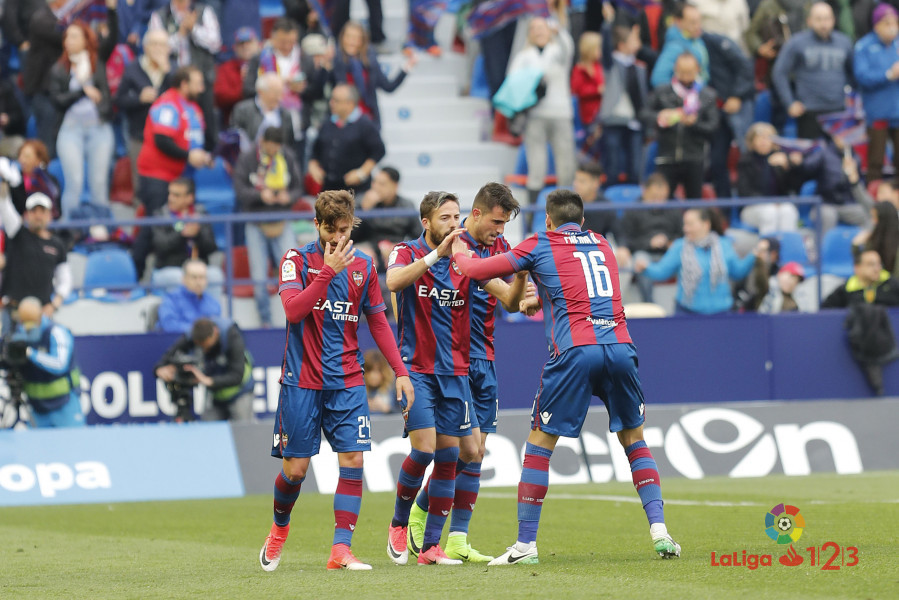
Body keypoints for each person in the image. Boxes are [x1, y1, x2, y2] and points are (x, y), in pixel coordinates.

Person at [448, 189, 681, 565]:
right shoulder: (602, 243)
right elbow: (582, 288)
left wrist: (458, 248)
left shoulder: (540, 243)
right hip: (621, 345)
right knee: (635, 440)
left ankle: (525, 545)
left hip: (575, 350)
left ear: (548, 220)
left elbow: (474, 271)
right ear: (583, 221)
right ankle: (660, 532)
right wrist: (543, 297)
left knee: (540, 445)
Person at [260, 190, 414, 571]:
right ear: (317, 225)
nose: (338, 239)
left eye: (344, 230)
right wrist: (328, 272)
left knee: (352, 460)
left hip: (347, 380)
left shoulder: (364, 266)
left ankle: (341, 550)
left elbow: (378, 321)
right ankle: (279, 528)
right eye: (331, 231)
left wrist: (401, 371)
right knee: (295, 470)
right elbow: (294, 311)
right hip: (302, 381)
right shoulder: (296, 260)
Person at [385, 191, 526, 567]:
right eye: (445, 217)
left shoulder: (467, 260)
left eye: (455, 216)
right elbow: (394, 283)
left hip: (457, 370)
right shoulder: (407, 251)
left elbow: (505, 296)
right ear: (427, 222)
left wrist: (523, 286)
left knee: (461, 454)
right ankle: (401, 522)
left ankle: (438, 545)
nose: (453, 224)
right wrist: (437, 255)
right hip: (417, 368)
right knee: (426, 450)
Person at [233, 127, 303, 327]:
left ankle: (296, 317)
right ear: (262, 141)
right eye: (270, 146)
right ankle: (266, 321)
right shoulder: (248, 158)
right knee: (258, 275)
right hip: (255, 221)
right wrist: (259, 195)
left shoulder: (287, 156)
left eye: (277, 147)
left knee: (293, 270)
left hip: (282, 219)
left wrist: (288, 197)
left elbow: (298, 187)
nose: (273, 151)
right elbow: (239, 189)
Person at [507, 16, 576, 212]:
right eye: (534, 28)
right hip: (535, 115)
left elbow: (568, 48)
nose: (538, 31)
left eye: (542, 27)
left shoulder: (557, 51)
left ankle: (567, 212)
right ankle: (532, 216)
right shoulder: (523, 56)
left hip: (560, 112)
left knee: (566, 164)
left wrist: (559, 31)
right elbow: (513, 81)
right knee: (536, 166)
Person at [636, 208, 761, 314]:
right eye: (684, 224)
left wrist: (753, 256)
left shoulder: (724, 244)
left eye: (690, 224)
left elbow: (737, 272)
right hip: (687, 313)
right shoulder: (680, 246)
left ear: (706, 224)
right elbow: (662, 271)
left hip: (722, 314)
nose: (686, 229)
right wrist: (646, 268)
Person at [49, 20, 115, 219]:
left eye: (74, 36)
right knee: (74, 182)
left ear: (87, 40)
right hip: (70, 129)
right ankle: (70, 229)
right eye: (66, 36)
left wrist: (112, 12)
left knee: (99, 182)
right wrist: (81, 91)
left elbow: (104, 97)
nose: (68, 41)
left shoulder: (97, 64)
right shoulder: (59, 68)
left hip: (99, 128)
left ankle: (100, 228)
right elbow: (57, 101)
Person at [772, 2, 853, 140]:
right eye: (818, 19)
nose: (823, 24)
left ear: (833, 20)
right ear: (809, 21)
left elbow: (853, 73)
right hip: (808, 110)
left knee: (840, 156)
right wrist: (789, 102)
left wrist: (852, 100)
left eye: (827, 19)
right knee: (810, 159)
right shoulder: (797, 43)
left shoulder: (844, 42)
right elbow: (779, 72)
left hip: (838, 110)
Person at [136, 65, 212, 214]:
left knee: (182, 228)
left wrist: (204, 156)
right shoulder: (168, 104)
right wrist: (189, 156)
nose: (201, 89)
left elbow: (196, 139)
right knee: (158, 228)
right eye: (197, 84)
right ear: (184, 84)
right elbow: (162, 140)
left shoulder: (193, 106)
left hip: (183, 178)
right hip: (159, 178)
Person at [148, 0, 222, 150]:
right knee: (173, 124)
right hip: (171, 81)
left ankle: (206, 158)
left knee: (207, 124)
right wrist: (180, 34)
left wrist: (194, 28)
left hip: (201, 81)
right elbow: (154, 48)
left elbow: (215, 44)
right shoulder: (160, 15)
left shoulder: (204, 11)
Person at [644, 52, 719, 200]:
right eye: (682, 72)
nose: (685, 77)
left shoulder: (707, 94)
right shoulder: (662, 91)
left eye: (689, 72)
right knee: (663, 202)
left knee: (694, 202)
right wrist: (661, 116)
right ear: (675, 70)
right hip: (667, 156)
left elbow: (713, 127)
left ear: (698, 69)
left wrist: (694, 123)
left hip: (695, 158)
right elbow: (643, 114)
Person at [155, 317, 255, 422]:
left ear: (215, 333)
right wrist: (159, 369)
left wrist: (207, 380)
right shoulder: (193, 335)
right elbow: (168, 355)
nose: (204, 350)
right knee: (208, 428)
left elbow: (237, 376)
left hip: (239, 392)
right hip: (215, 395)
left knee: (243, 431)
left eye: (206, 346)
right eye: (200, 346)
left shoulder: (232, 335)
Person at [0, 184, 72, 329]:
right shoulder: (17, 233)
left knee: (43, 351)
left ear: (49, 215)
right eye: (34, 211)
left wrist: (53, 305)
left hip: (42, 314)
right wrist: (4, 184)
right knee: (9, 350)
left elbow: (65, 280)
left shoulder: (57, 245)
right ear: (27, 215)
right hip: (13, 312)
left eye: (42, 211)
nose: (38, 215)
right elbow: (5, 205)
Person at [131, 177, 222, 290]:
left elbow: (212, 247)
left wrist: (198, 234)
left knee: (215, 275)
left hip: (197, 267)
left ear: (189, 198)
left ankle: (210, 308)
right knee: (181, 278)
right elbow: (161, 247)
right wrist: (181, 234)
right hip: (169, 269)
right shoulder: (160, 215)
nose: (170, 198)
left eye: (176, 195)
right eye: (170, 194)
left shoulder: (201, 215)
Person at [9, 297, 85, 428]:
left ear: (40, 316)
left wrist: (30, 353)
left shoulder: (56, 332)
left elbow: (60, 364)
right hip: (37, 408)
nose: (27, 327)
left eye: (31, 322)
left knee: (74, 445)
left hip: (64, 404)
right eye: (23, 322)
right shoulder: (18, 336)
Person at [116, 29, 172, 202]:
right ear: (145, 47)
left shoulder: (175, 70)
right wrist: (139, 99)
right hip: (139, 137)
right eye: (153, 43)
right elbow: (119, 100)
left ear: (169, 48)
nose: (157, 48)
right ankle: (141, 224)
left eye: (162, 44)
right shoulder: (133, 68)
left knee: (169, 185)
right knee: (140, 186)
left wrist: (167, 73)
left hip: (169, 139)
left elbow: (183, 101)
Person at [330, 21, 415, 129]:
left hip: (368, 121)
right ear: (342, 38)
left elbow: (388, 87)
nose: (352, 42)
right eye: (348, 37)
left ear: (362, 41)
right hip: (343, 122)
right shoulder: (334, 62)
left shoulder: (370, 62)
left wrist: (406, 68)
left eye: (356, 38)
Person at [703, 30, 756, 199]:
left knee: (747, 154)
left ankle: (749, 200)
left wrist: (737, 95)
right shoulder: (683, 45)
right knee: (717, 160)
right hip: (715, 109)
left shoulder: (715, 41)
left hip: (736, 103)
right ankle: (724, 208)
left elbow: (745, 67)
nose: (695, 27)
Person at [307, 84, 385, 196]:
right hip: (329, 190)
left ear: (350, 103)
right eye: (331, 99)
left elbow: (379, 151)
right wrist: (313, 167)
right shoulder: (327, 123)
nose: (331, 103)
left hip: (356, 191)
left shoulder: (364, 124)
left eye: (336, 100)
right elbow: (315, 151)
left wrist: (362, 173)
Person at [615, 173, 682, 302]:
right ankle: (649, 304)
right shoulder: (632, 211)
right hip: (643, 252)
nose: (659, 201)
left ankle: (685, 303)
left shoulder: (673, 210)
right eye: (655, 197)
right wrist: (649, 243)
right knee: (640, 262)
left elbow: (682, 234)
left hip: (668, 254)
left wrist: (672, 243)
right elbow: (626, 240)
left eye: (663, 198)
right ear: (645, 191)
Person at [853, 4, 899, 182]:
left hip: (898, 112)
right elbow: (862, 76)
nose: (892, 26)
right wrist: (889, 75)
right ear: (876, 25)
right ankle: (874, 203)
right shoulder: (864, 46)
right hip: (877, 112)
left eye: (895, 22)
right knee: (875, 161)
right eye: (887, 23)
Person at [599, 24, 648, 186]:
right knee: (612, 164)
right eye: (633, 40)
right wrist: (608, 23)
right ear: (621, 45)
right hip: (614, 121)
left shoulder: (639, 67)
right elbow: (605, 46)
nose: (637, 43)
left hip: (635, 122)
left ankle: (632, 203)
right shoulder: (611, 63)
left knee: (635, 166)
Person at [737, 122, 803, 234]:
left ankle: (786, 248)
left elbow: (794, 188)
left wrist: (789, 167)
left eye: (768, 138)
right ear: (752, 141)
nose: (764, 141)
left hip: (780, 205)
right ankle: (768, 249)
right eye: (760, 138)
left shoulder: (781, 158)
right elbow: (745, 192)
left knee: (789, 211)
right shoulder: (745, 162)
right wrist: (767, 166)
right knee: (770, 212)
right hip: (753, 207)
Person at [354, 166, 421, 269]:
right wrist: (363, 209)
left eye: (382, 184)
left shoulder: (406, 205)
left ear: (395, 186)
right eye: (374, 182)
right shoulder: (361, 202)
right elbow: (351, 236)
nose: (376, 187)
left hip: (396, 247)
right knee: (362, 256)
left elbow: (418, 237)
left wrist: (400, 248)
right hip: (369, 247)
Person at [650, 2, 709, 88]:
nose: (698, 26)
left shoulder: (696, 40)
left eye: (699, 21)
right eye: (693, 22)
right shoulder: (674, 47)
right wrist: (682, 94)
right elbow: (658, 79)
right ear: (679, 22)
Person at [230, 73, 296, 148]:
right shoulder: (242, 110)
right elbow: (235, 140)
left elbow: (290, 146)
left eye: (281, 93)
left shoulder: (285, 115)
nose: (279, 98)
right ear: (260, 92)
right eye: (275, 93)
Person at [155, 259, 222, 334]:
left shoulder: (213, 303)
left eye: (202, 277)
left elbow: (217, 329)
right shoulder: (171, 300)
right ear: (184, 279)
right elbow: (169, 325)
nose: (198, 282)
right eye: (194, 277)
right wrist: (199, 331)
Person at [214, 27, 260, 125]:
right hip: (236, 119)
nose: (245, 46)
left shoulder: (266, 63)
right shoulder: (225, 68)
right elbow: (220, 97)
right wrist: (244, 84)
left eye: (249, 42)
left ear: (258, 44)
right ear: (235, 47)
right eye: (241, 43)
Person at [822, 249, 899, 307]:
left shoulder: (893, 285)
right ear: (857, 268)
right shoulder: (846, 290)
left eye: (879, 264)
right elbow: (825, 313)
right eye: (871, 264)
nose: (876, 269)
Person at [10, 140, 61, 218]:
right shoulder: (15, 181)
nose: (21, 160)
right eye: (20, 156)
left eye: (27, 156)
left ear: (39, 159)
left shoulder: (49, 180)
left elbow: (56, 208)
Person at [853, 201, 899, 277]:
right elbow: (861, 265)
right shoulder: (873, 240)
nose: (873, 222)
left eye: (874, 218)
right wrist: (856, 246)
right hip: (876, 282)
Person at [574, 162, 618, 240]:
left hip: (598, 248)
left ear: (595, 183)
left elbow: (617, 231)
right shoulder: (567, 204)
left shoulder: (605, 206)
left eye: (582, 181)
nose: (576, 184)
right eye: (576, 180)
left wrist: (623, 246)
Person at [570, 31, 605, 127]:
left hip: (601, 114)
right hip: (586, 116)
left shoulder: (600, 67)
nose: (601, 51)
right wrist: (596, 90)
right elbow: (576, 90)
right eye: (598, 48)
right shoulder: (579, 69)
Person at [363, 349, 395, 414]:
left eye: (378, 371)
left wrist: (387, 409)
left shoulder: (393, 389)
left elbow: (403, 414)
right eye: (369, 371)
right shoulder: (359, 390)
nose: (373, 375)